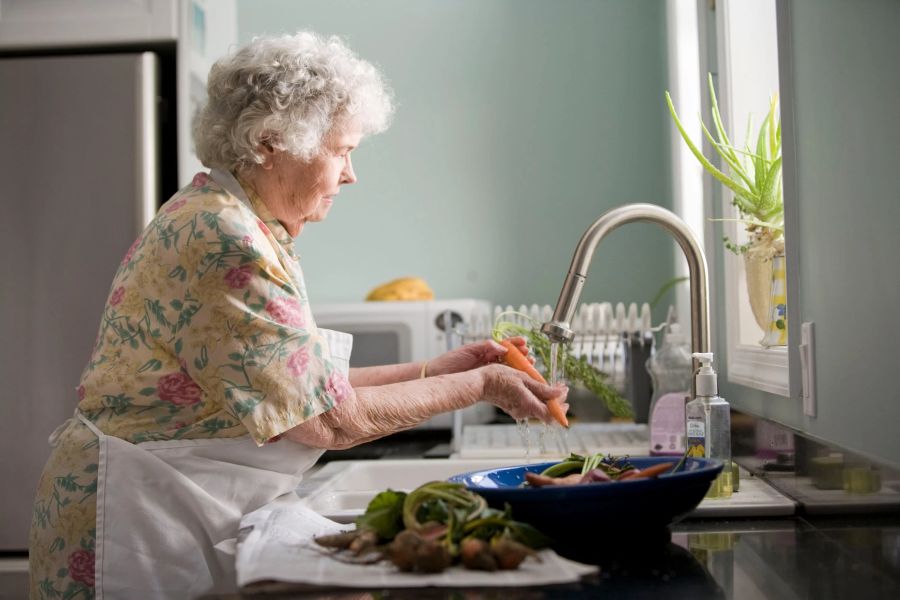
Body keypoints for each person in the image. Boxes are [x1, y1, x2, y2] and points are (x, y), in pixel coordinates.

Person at [28, 31, 568, 599]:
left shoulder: (239, 223)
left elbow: (300, 389)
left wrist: (438, 370)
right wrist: (480, 384)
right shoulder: (222, 239)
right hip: (134, 522)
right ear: (270, 142)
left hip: (170, 502)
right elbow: (327, 420)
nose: (351, 174)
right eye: (341, 151)